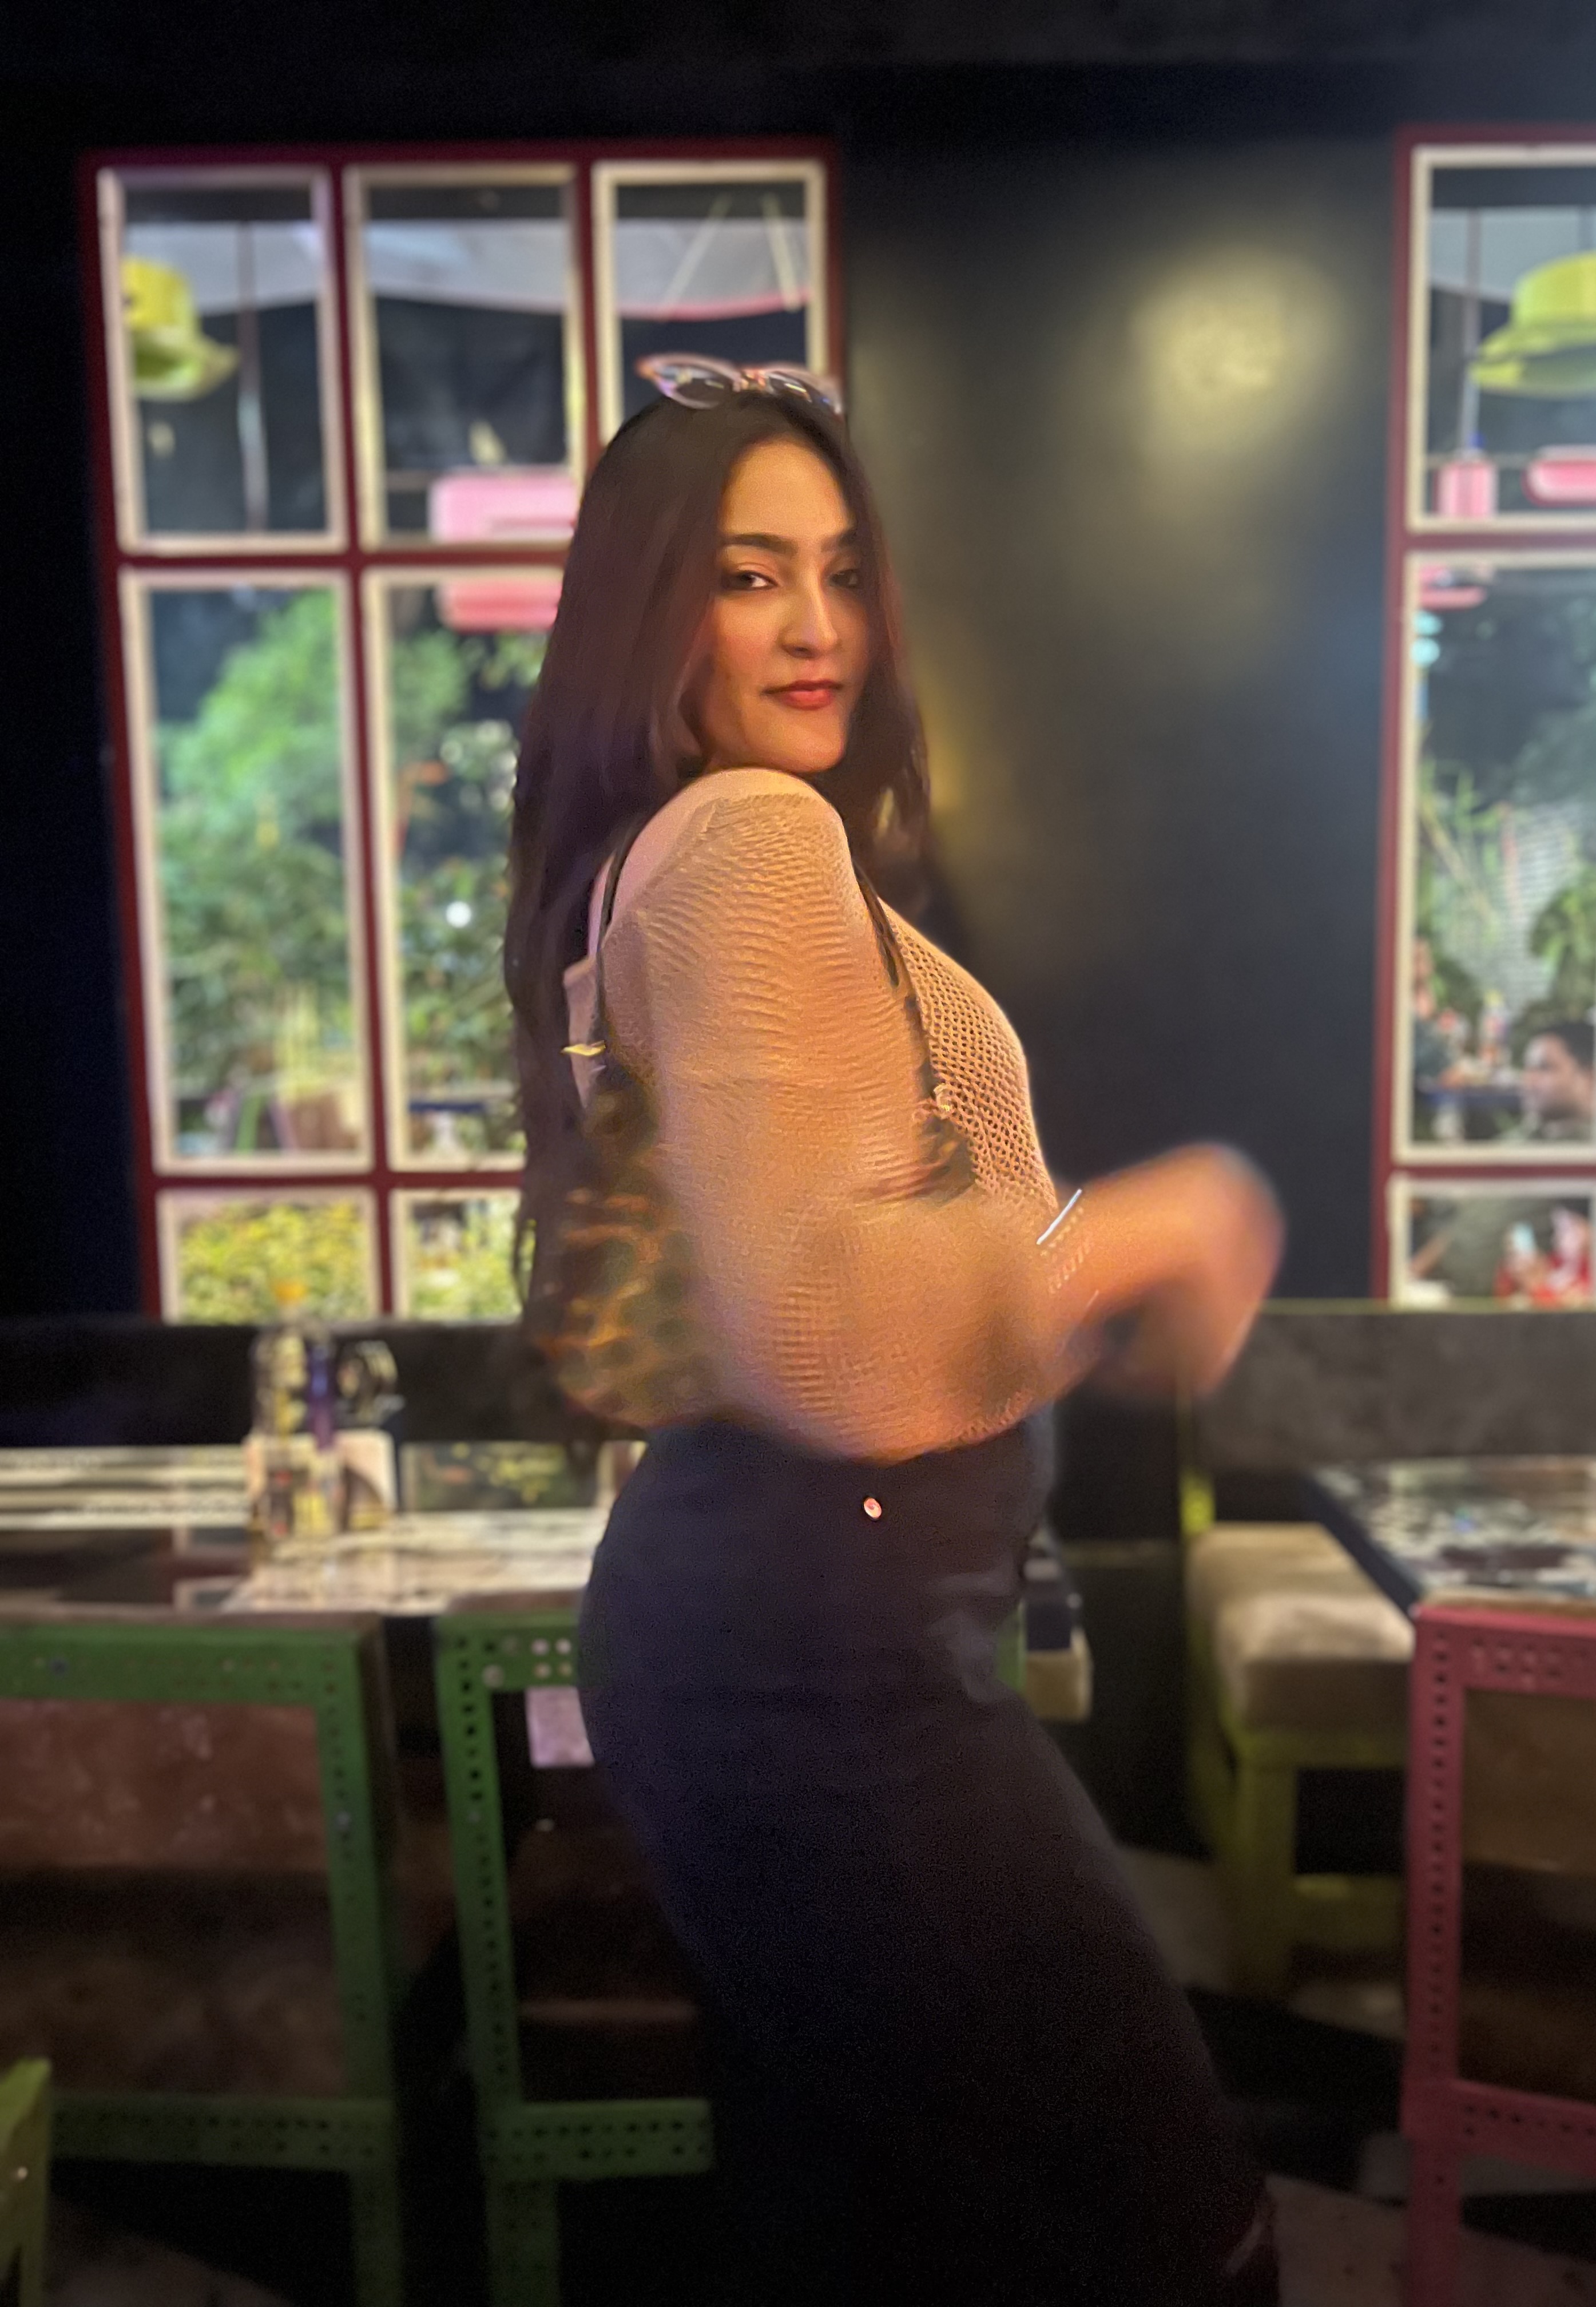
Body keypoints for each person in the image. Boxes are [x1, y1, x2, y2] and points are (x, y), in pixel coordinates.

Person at [505, 374, 1284, 2304]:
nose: (817, 626)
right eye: (748, 575)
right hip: (822, 1658)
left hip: (777, 1631)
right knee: (1174, 2229)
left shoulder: (670, 856)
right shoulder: (746, 840)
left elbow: (815, 1273)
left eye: (841, 571)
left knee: (873, 2221)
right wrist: (1145, 1226)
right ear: (650, 614)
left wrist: (1047, 1296)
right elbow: (826, 1329)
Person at [1518, 1018, 1596, 1142]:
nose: (1528, 1081)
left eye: (1544, 1068)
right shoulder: (1520, 1141)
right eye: (1528, 1069)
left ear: (1589, 1077)